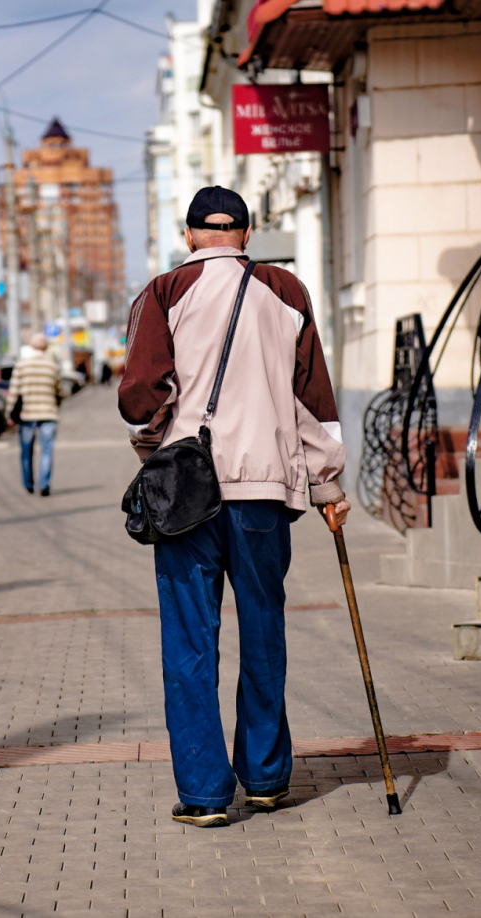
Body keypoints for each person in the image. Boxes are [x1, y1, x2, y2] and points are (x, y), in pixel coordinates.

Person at [118, 186, 351, 828]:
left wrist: (157, 444)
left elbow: (141, 395)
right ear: (247, 234)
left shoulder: (163, 293)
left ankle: (204, 795)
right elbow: (313, 402)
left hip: (189, 495)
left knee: (190, 643)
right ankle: (269, 780)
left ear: (189, 235)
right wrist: (328, 486)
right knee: (263, 632)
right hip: (265, 495)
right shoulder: (288, 291)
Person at [9, 333, 64, 496]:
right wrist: (56, 405)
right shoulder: (52, 366)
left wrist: (9, 413)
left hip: (27, 415)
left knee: (26, 451)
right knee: (46, 451)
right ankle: (44, 485)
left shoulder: (22, 365)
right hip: (49, 413)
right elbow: (59, 391)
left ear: (31, 347)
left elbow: (14, 392)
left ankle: (28, 483)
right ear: (46, 348)